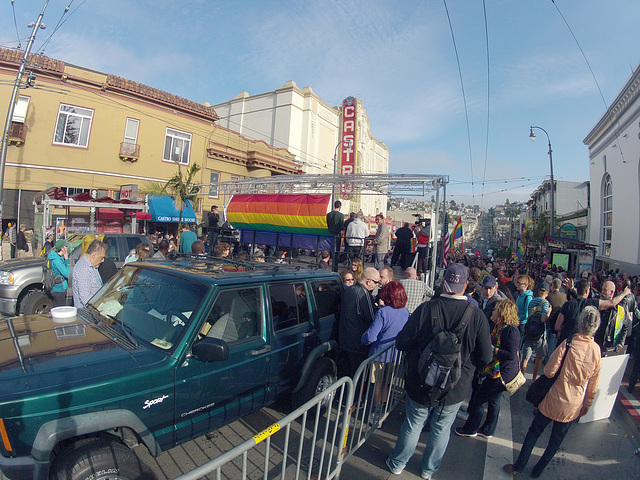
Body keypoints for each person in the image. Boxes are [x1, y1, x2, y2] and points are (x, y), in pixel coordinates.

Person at [386, 263, 493, 479]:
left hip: (420, 381)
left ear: (443, 283)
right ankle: (428, 470)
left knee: (414, 424)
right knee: (441, 428)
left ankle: (398, 463)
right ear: (465, 286)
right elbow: (485, 357)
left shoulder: (426, 309)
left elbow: (402, 342)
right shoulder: (477, 315)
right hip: (455, 385)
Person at [504, 306, 602, 478]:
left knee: (534, 432)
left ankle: (519, 466)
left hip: (554, 398)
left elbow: (549, 371)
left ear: (580, 322)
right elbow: (594, 383)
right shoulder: (596, 351)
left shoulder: (569, 343)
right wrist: (587, 404)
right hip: (573, 405)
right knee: (555, 442)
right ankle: (537, 470)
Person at [455, 299, 520, 439]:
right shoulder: (495, 326)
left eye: (496, 309)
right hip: (492, 371)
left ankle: (470, 428)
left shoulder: (511, 331)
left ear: (503, 313)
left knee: (478, 400)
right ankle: (488, 429)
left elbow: (510, 354)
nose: (493, 311)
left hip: (499, 374)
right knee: (493, 402)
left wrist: (494, 350)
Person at [362, 281, 410, 417]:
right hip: (395, 355)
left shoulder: (383, 313)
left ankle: (376, 412)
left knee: (378, 384)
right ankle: (383, 409)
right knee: (387, 383)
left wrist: (363, 337)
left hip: (379, 355)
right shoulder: (405, 311)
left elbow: (371, 337)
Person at [555, 278, 630, 344]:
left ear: (612, 292)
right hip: (583, 343)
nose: (602, 292)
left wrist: (565, 329)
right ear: (588, 291)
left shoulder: (618, 309)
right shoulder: (593, 302)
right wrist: (624, 293)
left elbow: (557, 326)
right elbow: (582, 300)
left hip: (603, 343)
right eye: (602, 289)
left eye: (605, 290)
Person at [339, 267, 381, 377]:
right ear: (369, 281)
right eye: (376, 282)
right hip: (358, 344)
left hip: (344, 340)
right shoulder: (364, 294)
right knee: (357, 377)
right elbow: (372, 319)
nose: (377, 285)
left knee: (345, 375)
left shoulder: (348, 290)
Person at [521, 283, 551, 381]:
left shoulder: (532, 302)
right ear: (547, 292)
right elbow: (543, 319)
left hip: (529, 332)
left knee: (525, 357)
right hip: (539, 335)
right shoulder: (545, 303)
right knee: (539, 357)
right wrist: (548, 313)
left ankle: (521, 378)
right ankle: (533, 379)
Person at [72, 239, 107, 308]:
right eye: (101, 257)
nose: (103, 260)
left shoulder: (92, 266)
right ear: (94, 255)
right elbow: (86, 298)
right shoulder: (84, 268)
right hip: (87, 312)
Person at [545, 278, 567, 363]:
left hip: (550, 320)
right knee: (552, 342)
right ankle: (549, 358)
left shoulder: (549, 296)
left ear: (552, 285)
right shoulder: (564, 296)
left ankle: (547, 359)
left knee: (548, 341)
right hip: (559, 321)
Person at [47, 239, 70, 307]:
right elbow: (67, 274)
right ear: (62, 249)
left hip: (57, 289)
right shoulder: (57, 261)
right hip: (59, 289)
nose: (67, 247)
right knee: (60, 311)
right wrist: (67, 260)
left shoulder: (57, 258)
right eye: (66, 246)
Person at [515, 274, 534, 341]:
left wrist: (515, 318)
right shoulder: (520, 295)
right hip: (517, 323)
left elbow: (526, 315)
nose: (517, 285)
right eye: (517, 283)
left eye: (520, 283)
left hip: (522, 325)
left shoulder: (528, 297)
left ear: (526, 285)